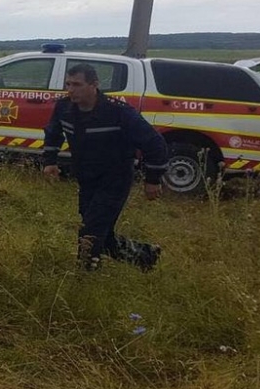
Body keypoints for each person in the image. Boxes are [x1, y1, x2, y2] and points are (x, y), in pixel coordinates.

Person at [42, 63, 167, 272]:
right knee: (101, 232)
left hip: (115, 179)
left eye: (77, 84)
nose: (71, 90)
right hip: (86, 177)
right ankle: (145, 256)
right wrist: (50, 161)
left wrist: (153, 179)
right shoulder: (64, 108)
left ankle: (85, 276)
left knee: (90, 231)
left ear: (94, 85)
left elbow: (155, 144)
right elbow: (53, 132)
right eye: (68, 84)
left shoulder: (118, 112)